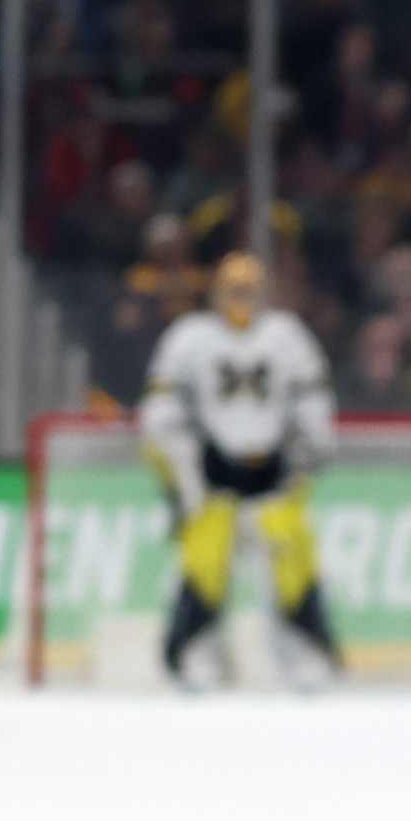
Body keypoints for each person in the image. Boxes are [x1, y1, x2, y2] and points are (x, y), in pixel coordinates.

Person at [138, 251, 342, 688]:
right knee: (205, 566)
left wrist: (311, 448)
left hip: (273, 468)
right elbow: (162, 408)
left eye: (248, 290)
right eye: (233, 290)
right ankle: (197, 656)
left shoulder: (285, 335)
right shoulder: (190, 337)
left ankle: (304, 655)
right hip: (214, 470)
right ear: (215, 291)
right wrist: (181, 466)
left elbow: (312, 400)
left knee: (292, 564)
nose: (240, 299)